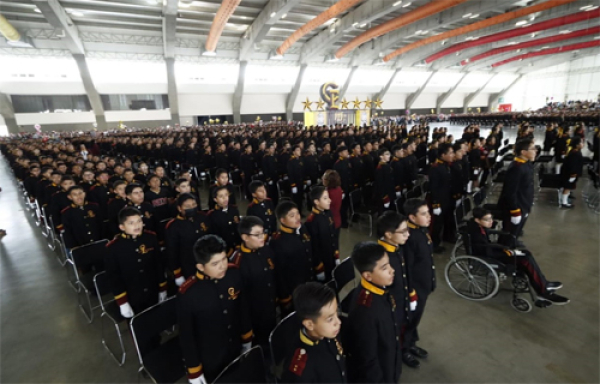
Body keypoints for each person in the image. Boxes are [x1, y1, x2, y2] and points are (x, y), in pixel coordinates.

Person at [178, 235, 253, 384]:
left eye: (224, 259)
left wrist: (247, 337)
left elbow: (242, 308)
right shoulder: (188, 293)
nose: (223, 266)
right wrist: (194, 370)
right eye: (215, 263)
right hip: (211, 357)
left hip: (234, 345)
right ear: (200, 267)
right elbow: (187, 336)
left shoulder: (233, 274)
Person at [468, 207, 569, 305]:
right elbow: (485, 248)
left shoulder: (477, 225)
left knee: (526, 255)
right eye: (487, 219)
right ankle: (543, 291)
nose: (490, 221)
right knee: (525, 259)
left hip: (491, 250)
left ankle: (543, 284)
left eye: (491, 218)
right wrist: (504, 249)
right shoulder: (476, 232)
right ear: (477, 220)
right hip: (489, 255)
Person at [345, 241, 402, 383]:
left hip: (389, 362)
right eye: (384, 268)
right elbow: (367, 359)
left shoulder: (380, 289)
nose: (392, 270)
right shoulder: (365, 312)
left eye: (388, 264)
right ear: (368, 276)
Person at [230, 216, 290, 348]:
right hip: (254, 316)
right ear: (245, 237)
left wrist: (284, 299)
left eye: (262, 233)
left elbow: (276, 276)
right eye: (257, 235)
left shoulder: (266, 250)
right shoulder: (238, 263)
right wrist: (246, 332)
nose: (262, 237)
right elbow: (241, 301)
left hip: (271, 308)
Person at [104, 207, 168, 319]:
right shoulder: (113, 248)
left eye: (139, 221)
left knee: (156, 318)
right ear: (122, 227)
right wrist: (122, 302)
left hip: (152, 288)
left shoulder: (150, 238)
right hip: (132, 294)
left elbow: (158, 264)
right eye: (131, 223)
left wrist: (162, 288)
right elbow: (114, 277)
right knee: (140, 325)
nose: (137, 225)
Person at [280, 282, 346, 383]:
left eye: (336, 313)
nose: (338, 322)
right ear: (310, 324)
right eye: (330, 319)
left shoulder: (325, 333)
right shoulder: (302, 371)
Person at [376, 211, 416, 362]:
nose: (408, 235)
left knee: (403, 326)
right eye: (403, 231)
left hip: (401, 301)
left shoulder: (397, 248)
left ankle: (404, 348)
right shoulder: (381, 258)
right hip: (391, 307)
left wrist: (410, 293)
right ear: (388, 234)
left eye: (408, 230)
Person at [402, 198, 435, 368]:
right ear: (412, 217)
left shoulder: (421, 231)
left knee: (416, 318)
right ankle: (404, 349)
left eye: (428, 212)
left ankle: (411, 342)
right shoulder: (409, 237)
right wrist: (411, 291)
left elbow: (427, 260)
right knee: (409, 319)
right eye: (423, 214)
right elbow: (407, 267)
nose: (429, 216)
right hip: (415, 289)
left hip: (424, 285)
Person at [270, 201, 317, 294]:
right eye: (292, 216)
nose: (297, 218)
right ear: (283, 220)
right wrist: (285, 297)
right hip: (294, 287)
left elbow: (310, 251)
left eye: (298, 213)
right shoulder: (278, 242)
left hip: (308, 279)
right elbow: (280, 273)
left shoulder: (301, 228)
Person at [497, 139, 535, 247]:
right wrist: (515, 210)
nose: (535, 151)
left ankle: (513, 242)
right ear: (523, 152)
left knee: (516, 230)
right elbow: (510, 192)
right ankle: (504, 250)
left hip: (523, 203)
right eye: (532, 149)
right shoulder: (517, 168)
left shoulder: (526, 164)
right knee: (509, 232)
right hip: (515, 207)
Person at [166, 193, 210, 283]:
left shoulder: (202, 217)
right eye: (188, 206)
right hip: (188, 265)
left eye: (194, 205)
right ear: (179, 208)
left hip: (207, 261)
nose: (192, 208)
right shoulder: (174, 226)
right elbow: (172, 252)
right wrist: (177, 274)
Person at [305, 186, 340, 281]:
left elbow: (334, 235)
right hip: (323, 262)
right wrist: (319, 268)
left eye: (328, 197)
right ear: (316, 202)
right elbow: (314, 248)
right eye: (325, 198)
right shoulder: (311, 222)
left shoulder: (328, 213)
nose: (329, 200)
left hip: (331, 257)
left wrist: (336, 253)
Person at [429, 143, 455, 252]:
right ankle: (434, 244)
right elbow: (433, 188)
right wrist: (435, 204)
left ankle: (446, 237)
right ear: (442, 155)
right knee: (436, 224)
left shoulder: (446, 165)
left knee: (446, 220)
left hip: (446, 199)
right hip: (439, 201)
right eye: (450, 153)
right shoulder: (436, 168)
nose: (452, 155)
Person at [207, 185, 241, 255]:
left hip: (238, 246)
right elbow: (215, 236)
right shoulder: (212, 215)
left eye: (226, 195)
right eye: (221, 196)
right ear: (215, 199)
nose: (225, 198)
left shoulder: (234, 210)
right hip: (225, 249)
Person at [559, 137, 584, 208]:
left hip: (569, 173)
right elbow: (573, 165)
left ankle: (566, 199)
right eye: (581, 143)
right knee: (567, 187)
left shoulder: (574, 151)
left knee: (568, 187)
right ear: (577, 145)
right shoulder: (575, 153)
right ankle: (564, 202)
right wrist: (573, 175)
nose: (583, 144)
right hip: (570, 174)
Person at [374, 147, 396, 214]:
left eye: (389, 154)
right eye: (386, 154)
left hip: (390, 192)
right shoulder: (380, 168)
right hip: (385, 195)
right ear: (381, 156)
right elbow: (380, 184)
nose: (389, 156)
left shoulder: (386, 166)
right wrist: (385, 197)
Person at [322, 170, 343, 235]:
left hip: (329, 222)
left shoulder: (328, 193)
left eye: (324, 178)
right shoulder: (338, 189)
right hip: (337, 220)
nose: (322, 179)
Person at [288, 145, 306, 212]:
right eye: (297, 150)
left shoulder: (301, 159)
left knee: (300, 198)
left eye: (299, 150)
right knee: (295, 200)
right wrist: (293, 185)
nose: (299, 151)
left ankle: (300, 212)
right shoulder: (291, 161)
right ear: (294, 152)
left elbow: (303, 171)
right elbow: (291, 174)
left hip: (301, 182)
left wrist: (304, 181)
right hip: (295, 183)